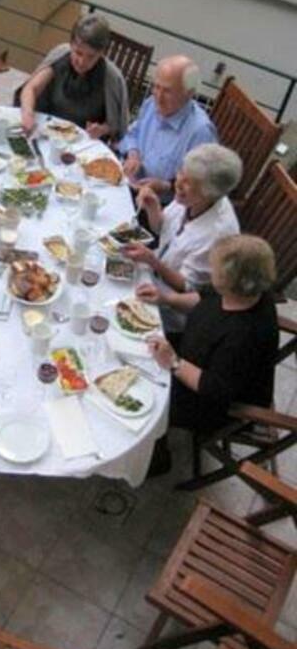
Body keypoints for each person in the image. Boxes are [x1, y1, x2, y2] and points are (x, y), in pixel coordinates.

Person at [147, 235, 278, 473]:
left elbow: (214, 388)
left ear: (231, 282)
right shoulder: (244, 291)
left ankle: (157, 458)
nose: (210, 270)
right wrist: (166, 299)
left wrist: (174, 362)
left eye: (215, 269)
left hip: (212, 402)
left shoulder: (245, 336)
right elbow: (204, 299)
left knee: (148, 390)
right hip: (193, 356)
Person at [123, 143, 242, 337]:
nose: (178, 183)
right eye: (181, 173)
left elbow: (187, 287)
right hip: (151, 272)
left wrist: (152, 261)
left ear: (208, 194)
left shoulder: (218, 234)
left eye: (189, 183)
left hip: (168, 306)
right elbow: (163, 230)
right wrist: (153, 207)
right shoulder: (192, 198)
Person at [118, 55, 217, 197]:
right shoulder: (151, 103)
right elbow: (133, 133)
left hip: (158, 201)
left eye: (167, 91)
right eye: (156, 87)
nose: (158, 97)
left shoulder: (201, 132)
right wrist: (133, 155)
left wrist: (165, 186)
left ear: (189, 93)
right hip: (127, 182)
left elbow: (198, 185)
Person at [19, 13, 129, 139]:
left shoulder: (111, 77)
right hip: (50, 132)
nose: (82, 62)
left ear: (101, 53)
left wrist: (102, 130)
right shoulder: (61, 55)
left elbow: (117, 124)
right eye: (78, 53)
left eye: (91, 57)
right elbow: (31, 88)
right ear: (71, 44)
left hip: (84, 142)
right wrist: (28, 114)